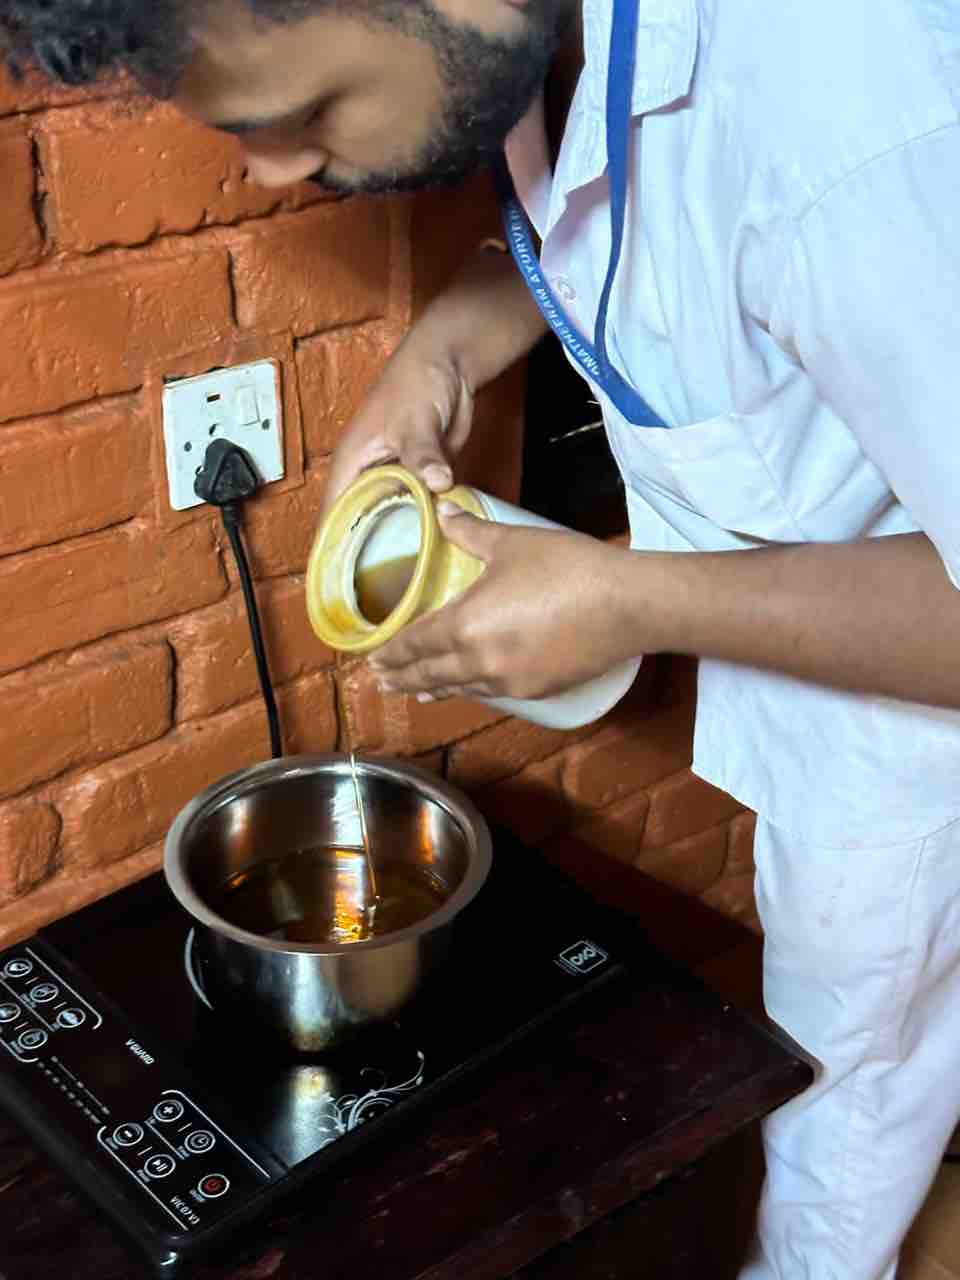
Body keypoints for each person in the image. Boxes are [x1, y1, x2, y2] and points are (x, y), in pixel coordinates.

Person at [5, 1, 960, 1274]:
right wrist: (441, 354)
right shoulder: (542, 35)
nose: (270, 172)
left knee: (845, 1109)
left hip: (916, 739)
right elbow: (629, 223)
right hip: (820, 678)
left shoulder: (864, 127)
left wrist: (635, 601)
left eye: (307, 112)